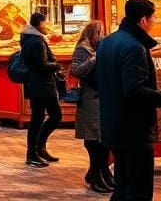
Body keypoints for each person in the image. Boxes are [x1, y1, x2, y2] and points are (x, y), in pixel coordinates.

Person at [97, 0, 161, 201]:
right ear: (143, 20)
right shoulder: (134, 47)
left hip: (113, 126)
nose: (154, 21)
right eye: (153, 18)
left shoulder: (108, 42)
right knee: (137, 191)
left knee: (123, 187)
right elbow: (134, 90)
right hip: (133, 130)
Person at [70, 20, 111, 192]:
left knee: (103, 138)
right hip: (90, 99)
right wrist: (94, 60)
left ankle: (101, 171)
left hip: (101, 98)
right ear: (91, 33)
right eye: (100, 33)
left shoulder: (98, 48)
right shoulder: (83, 49)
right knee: (95, 139)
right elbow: (75, 70)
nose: (102, 36)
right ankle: (96, 174)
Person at [20, 12, 62, 168]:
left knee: (40, 117)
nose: (47, 27)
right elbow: (41, 65)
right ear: (38, 25)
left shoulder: (31, 38)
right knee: (50, 116)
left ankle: (38, 149)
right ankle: (33, 152)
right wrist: (56, 65)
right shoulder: (36, 42)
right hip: (41, 85)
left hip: (38, 85)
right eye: (45, 23)